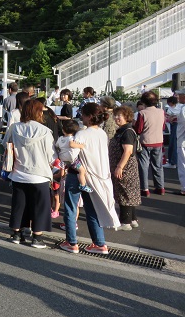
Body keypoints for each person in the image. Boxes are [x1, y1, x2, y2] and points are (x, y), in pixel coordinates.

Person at [59, 103, 120, 255]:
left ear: (89, 116)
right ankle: (99, 243)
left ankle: (71, 242)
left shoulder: (81, 134)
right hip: (97, 177)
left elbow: (71, 156)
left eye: (83, 114)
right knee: (92, 210)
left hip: (77, 174)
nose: (81, 117)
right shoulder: (102, 133)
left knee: (70, 208)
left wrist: (61, 154)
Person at [3, 99, 54, 248]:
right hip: (40, 174)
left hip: (18, 173)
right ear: (38, 112)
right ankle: (37, 238)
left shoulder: (14, 128)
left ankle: (16, 234)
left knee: (19, 205)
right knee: (40, 206)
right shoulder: (44, 131)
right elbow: (51, 156)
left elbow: (5, 146)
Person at [110, 106, 142, 230]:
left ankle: (125, 222)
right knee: (129, 193)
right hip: (126, 167)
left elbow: (127, 151)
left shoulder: (127, 131)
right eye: (115, 115)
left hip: (125, 167)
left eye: (120, 115)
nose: (117, 118)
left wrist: (119, 167)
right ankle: (133, 219)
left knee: (125, 193)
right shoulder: (124, 130)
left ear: (126, 117)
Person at [134, 90, 165, 196]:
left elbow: (139, 129)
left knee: (143, 165)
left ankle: (145, 188)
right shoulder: (161, 112)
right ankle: (160, 187)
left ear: (143, 101)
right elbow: (163, 126)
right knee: (158, 165)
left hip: (145, 141)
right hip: (158, 141)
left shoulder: (142, 113)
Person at [56, 120, 92, 193]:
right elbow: (71, 144)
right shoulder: (72, 139)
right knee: (82, 171)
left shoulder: (60, 138)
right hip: (73, 160)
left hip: (63, 159)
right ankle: (83, 185)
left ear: (63, 130)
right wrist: (81, 146)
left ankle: (58, 177)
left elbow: (57, 146)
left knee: (63, 171)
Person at [165, 96, 181, 169]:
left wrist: (172, 118)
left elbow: (168, 118)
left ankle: (173, 162)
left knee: (173, 143)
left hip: (175, 125)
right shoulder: (180, 106)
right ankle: (173, 160)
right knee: (175, 143)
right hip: (176, 125)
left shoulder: (178, 107)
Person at [174, 89, 185, 196]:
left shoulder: (183, 109)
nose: (178, 97)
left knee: (183, 165)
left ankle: (184, 188)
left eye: (180, 95)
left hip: (183, 142)